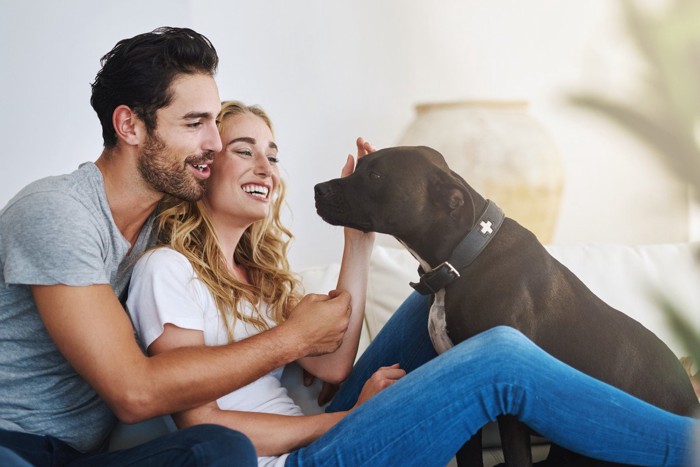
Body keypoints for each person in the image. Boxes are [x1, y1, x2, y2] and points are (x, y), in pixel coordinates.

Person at [127, 100, 699, 467]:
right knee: (497, 350)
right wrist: (350, 419)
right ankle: (684, 447)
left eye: (272, 156)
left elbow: (332, 368)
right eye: (243, 151)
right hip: (299, 458)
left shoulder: (260, 278)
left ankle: (664, 402)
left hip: (319, 431)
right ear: (203, 167)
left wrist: (360, 233)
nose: (266, 168)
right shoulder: (167, 270)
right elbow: (202, 426)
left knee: (435, 299)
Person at [0, 27, 353, 466]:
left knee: (217, 449)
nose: (215, 143)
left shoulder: (162, 223)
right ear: (129, 125)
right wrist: (293, 339)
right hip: (15, 446)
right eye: (195, 123)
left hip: (81, 457)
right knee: (220, 448)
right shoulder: (57, 213)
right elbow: (134, 392)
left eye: (214, 121)